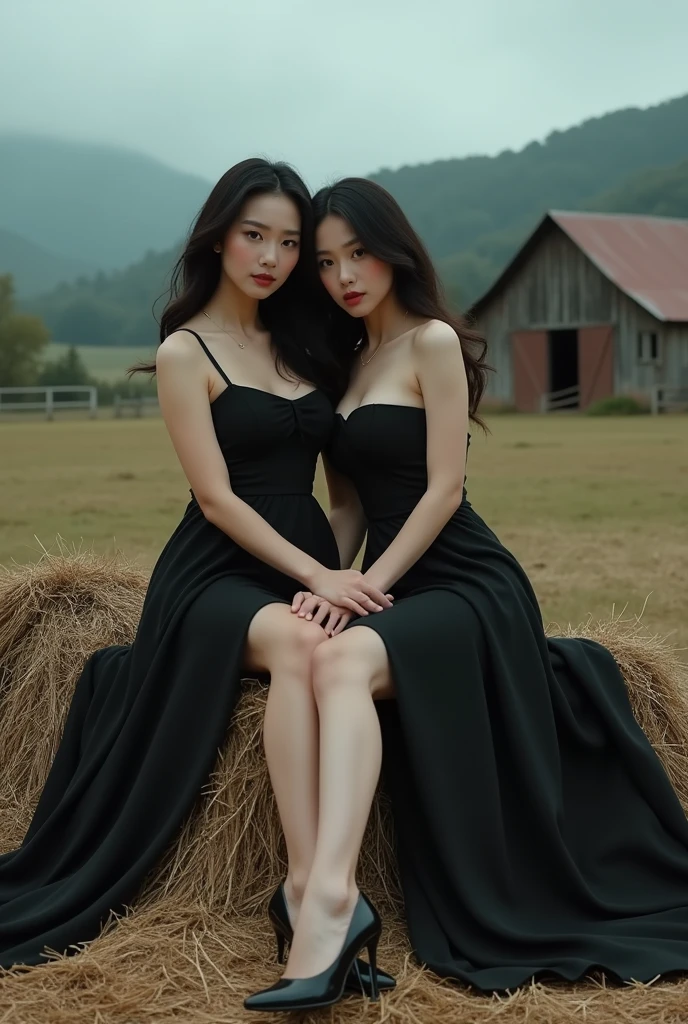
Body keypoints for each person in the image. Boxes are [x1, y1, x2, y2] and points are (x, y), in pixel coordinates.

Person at [245, 177, 688, 1012]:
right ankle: (330, 903)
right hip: (392, 584)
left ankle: (330, 900)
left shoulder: (432, 343)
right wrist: (323, 584)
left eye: (360, 254)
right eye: (329, 261)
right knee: (325, 657)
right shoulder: (343, 363)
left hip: (466, 579)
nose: (345, 275)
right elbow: (345, 506)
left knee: (340, 671)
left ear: (395, 251)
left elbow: (443, 491)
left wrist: (367, 586)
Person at [0, 159, 396, 976]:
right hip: (215, 569)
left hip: (305, 562)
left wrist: (338, 574)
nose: (272, 257)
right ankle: (303, 890)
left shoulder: (308, 344)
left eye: (290, 242)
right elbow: (216, 499)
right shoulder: (185, 351)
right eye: (255, 235)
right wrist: (315, 579)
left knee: (324, 647)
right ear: (218, 237)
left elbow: (345, 494)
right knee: (297, 646)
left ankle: (328, 890)